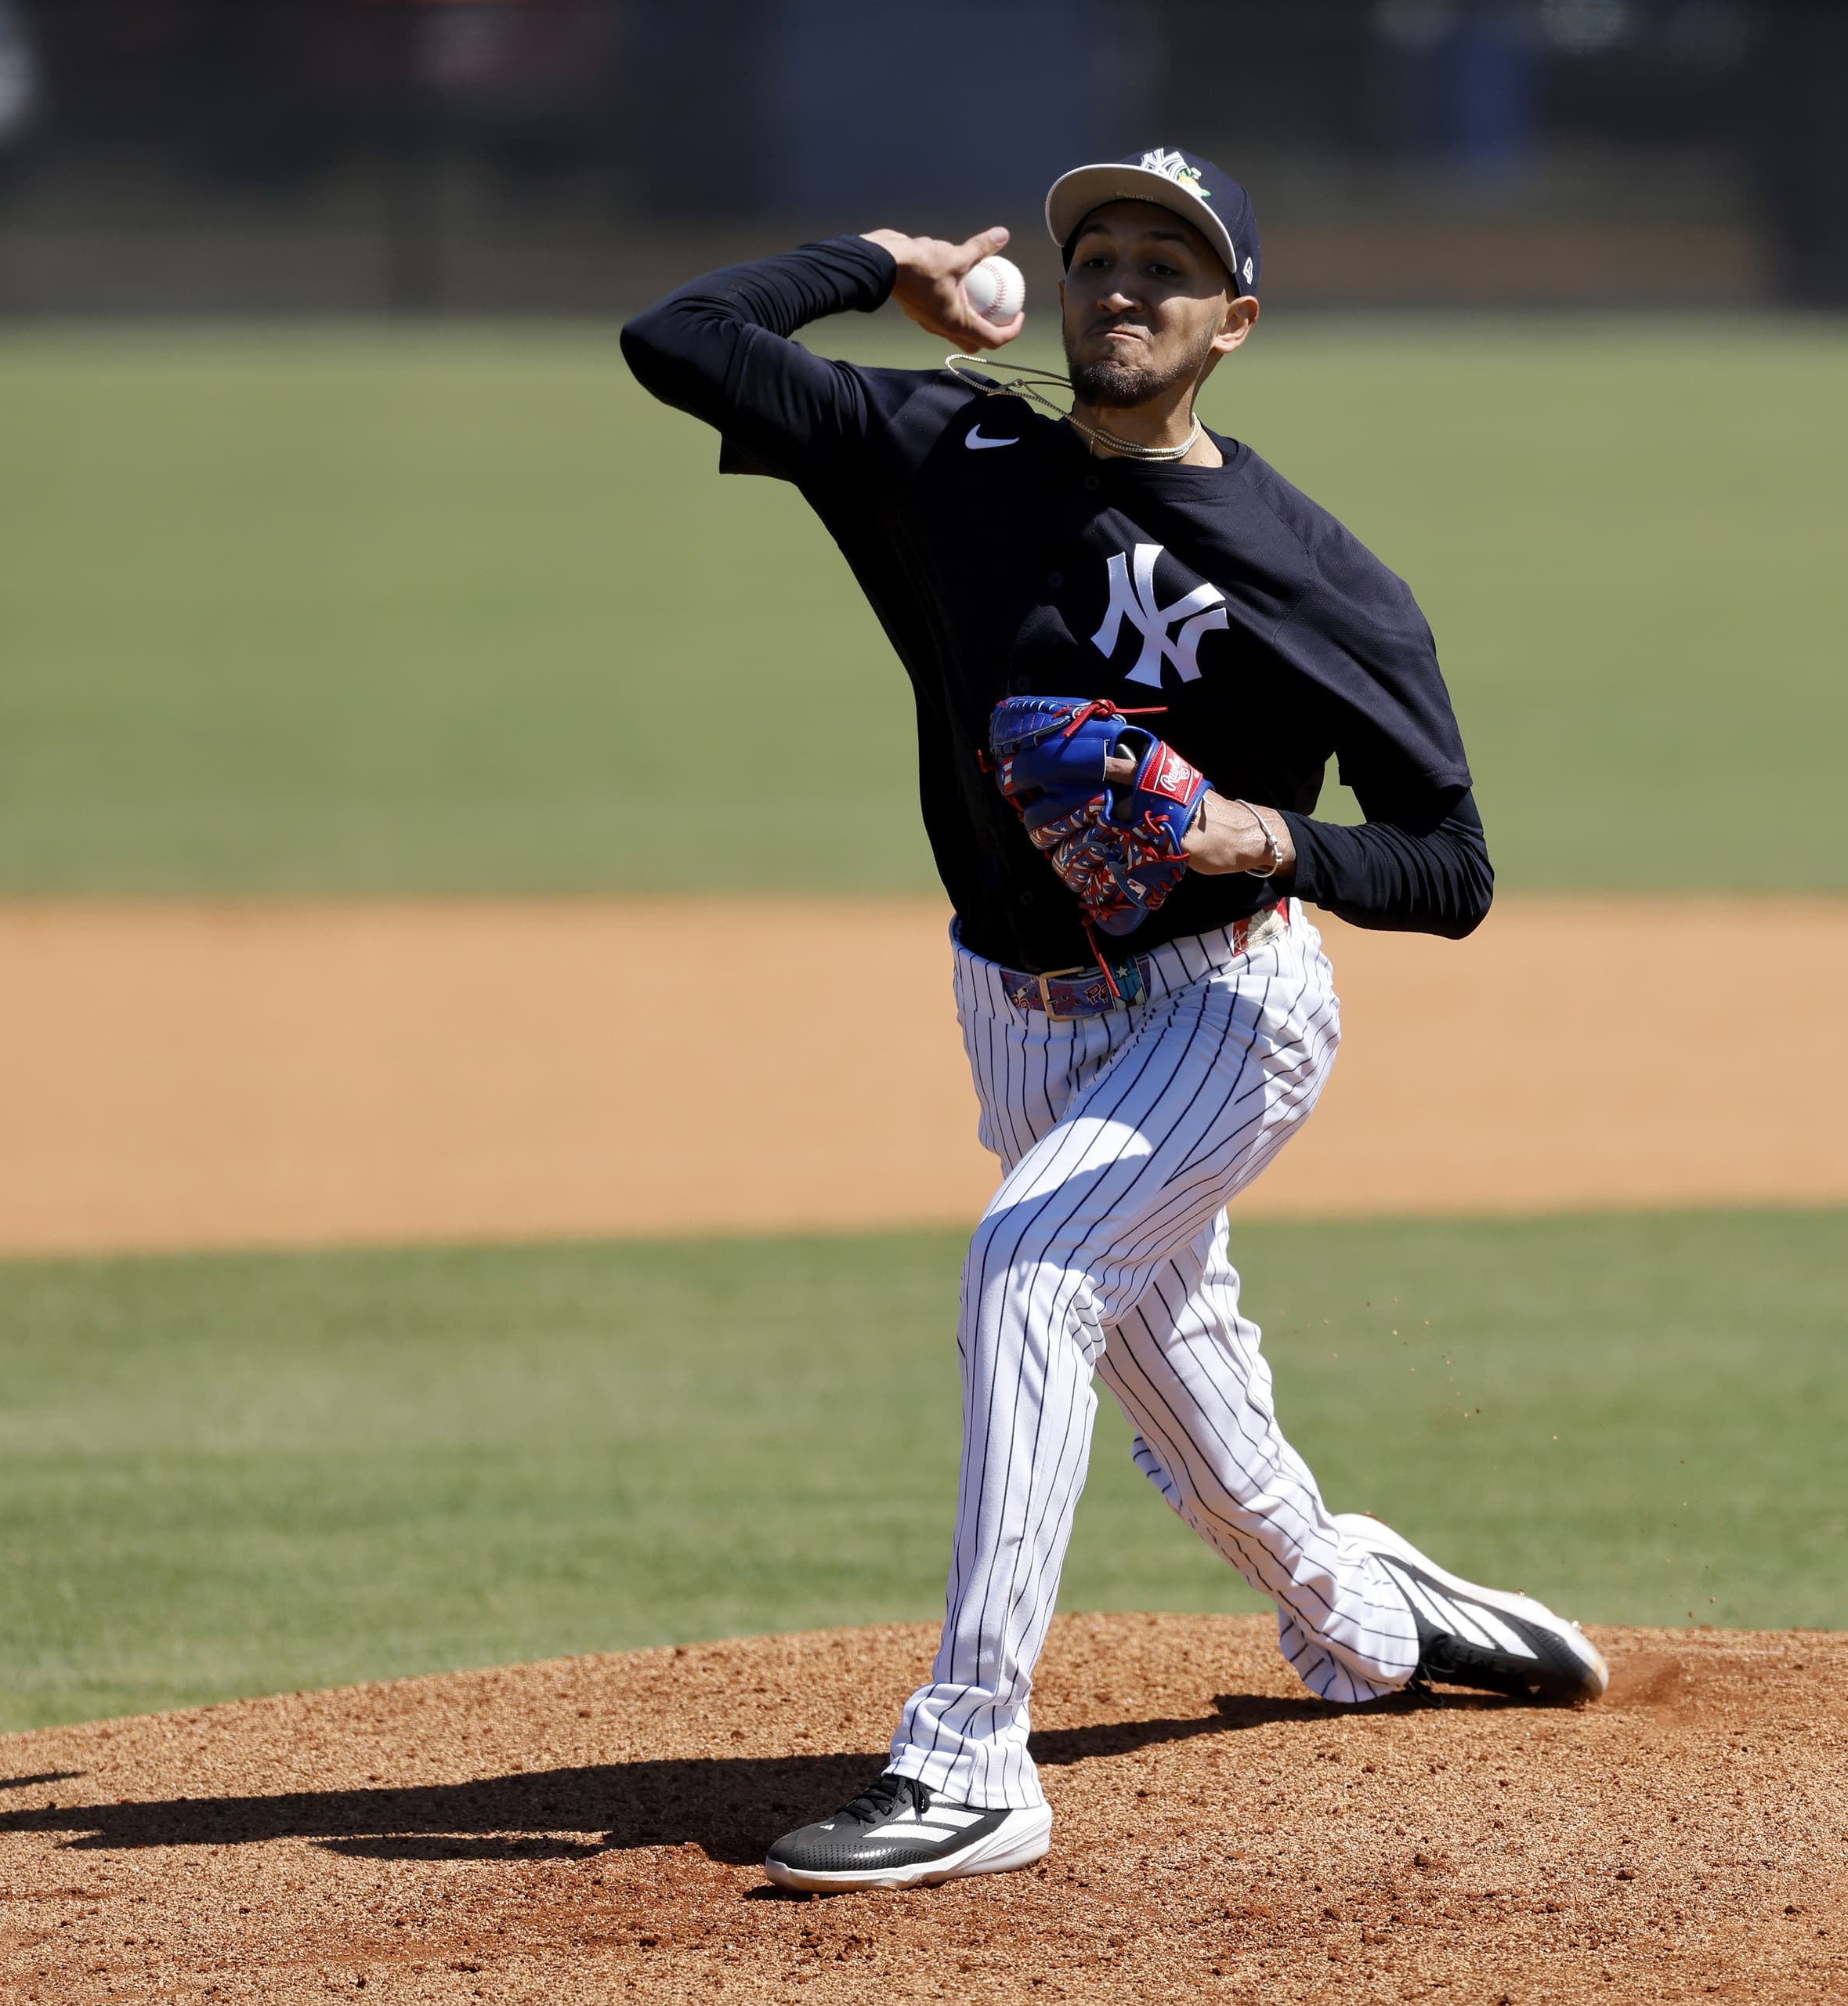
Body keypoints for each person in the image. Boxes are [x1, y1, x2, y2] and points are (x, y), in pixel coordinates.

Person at [620, 147, 1605, 1896]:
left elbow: (1453, 865)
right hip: (1011, 1001)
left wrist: (1270, 835)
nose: (1123, 287)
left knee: (1033, 1267)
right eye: (1099, 258)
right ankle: (1366, 1614)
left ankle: (971, 1754)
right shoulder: (944, 450)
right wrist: (880, 260)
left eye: (1169, 264)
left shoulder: (1316, 577)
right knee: (1178, 1374)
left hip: (1228, 997)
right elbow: (676, 337)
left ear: (1234, 321)